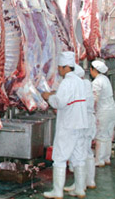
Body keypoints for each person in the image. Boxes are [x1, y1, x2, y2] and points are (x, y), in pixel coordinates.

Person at [41, 52, 89, 199]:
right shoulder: (80, 81)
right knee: (79, 157)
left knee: (60, 158)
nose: (59, 70)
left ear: (66, 67)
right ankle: (80, 190)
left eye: (60, 68)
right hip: (81, 123)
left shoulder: (66, 82)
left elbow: (59, 103)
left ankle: (57, 191)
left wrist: (48, 97)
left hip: (68, 124)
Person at [65, 65, 96, 193]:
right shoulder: (87, 84)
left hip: (80, 121)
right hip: (89, 120)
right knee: (87, 151)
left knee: (79, 153)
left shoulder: (77, 86)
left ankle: (79, 186)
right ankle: (90, 181)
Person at [90, 60, 115, 167]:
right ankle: (106, 158)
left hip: (104, 112)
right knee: (108, 135)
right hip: (112, 110)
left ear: (94, 70)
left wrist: (89, 111)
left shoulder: (97, 82)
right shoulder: (105, 79)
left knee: (101, 135)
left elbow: (94, 99)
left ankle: (99, 160)